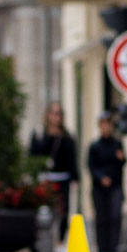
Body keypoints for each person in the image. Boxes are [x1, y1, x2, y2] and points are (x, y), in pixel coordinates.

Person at [29, 102, 80, 239]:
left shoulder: (67, 137)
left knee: (63, 210)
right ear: (47, 115)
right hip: (45, 179)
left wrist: (75, 178)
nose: (56, 117)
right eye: (53, 113)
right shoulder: (39, 135)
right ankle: (42, 239)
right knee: (44, 210)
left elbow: (72, 158)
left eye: (59, 114)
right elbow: (32, 157)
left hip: (63, 179)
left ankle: (60, 238)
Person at [87, 111, 125, 252]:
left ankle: (114, 246)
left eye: (108, 124)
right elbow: (91, 166)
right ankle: (102, 247)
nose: (105, 127)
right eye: (103, 124)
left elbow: (121, 164)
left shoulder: (117, 144)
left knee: (115, 216)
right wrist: (101, 178)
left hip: (115, 185)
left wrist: (121, 159)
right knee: (101, 217)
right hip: (99, 187)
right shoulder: (95, 146)